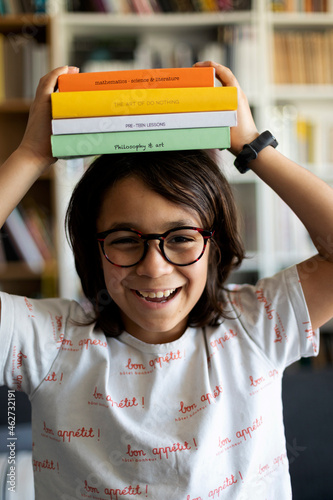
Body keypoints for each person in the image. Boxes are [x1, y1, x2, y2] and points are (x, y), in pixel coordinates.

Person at [0, 61, 332, 500]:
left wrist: (252, 147)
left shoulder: (257, 325)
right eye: (123, 239)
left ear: (215, 243)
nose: (154, 268)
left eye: (180, 238)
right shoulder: (48, 341)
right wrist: (32, 154)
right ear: (90, 247)